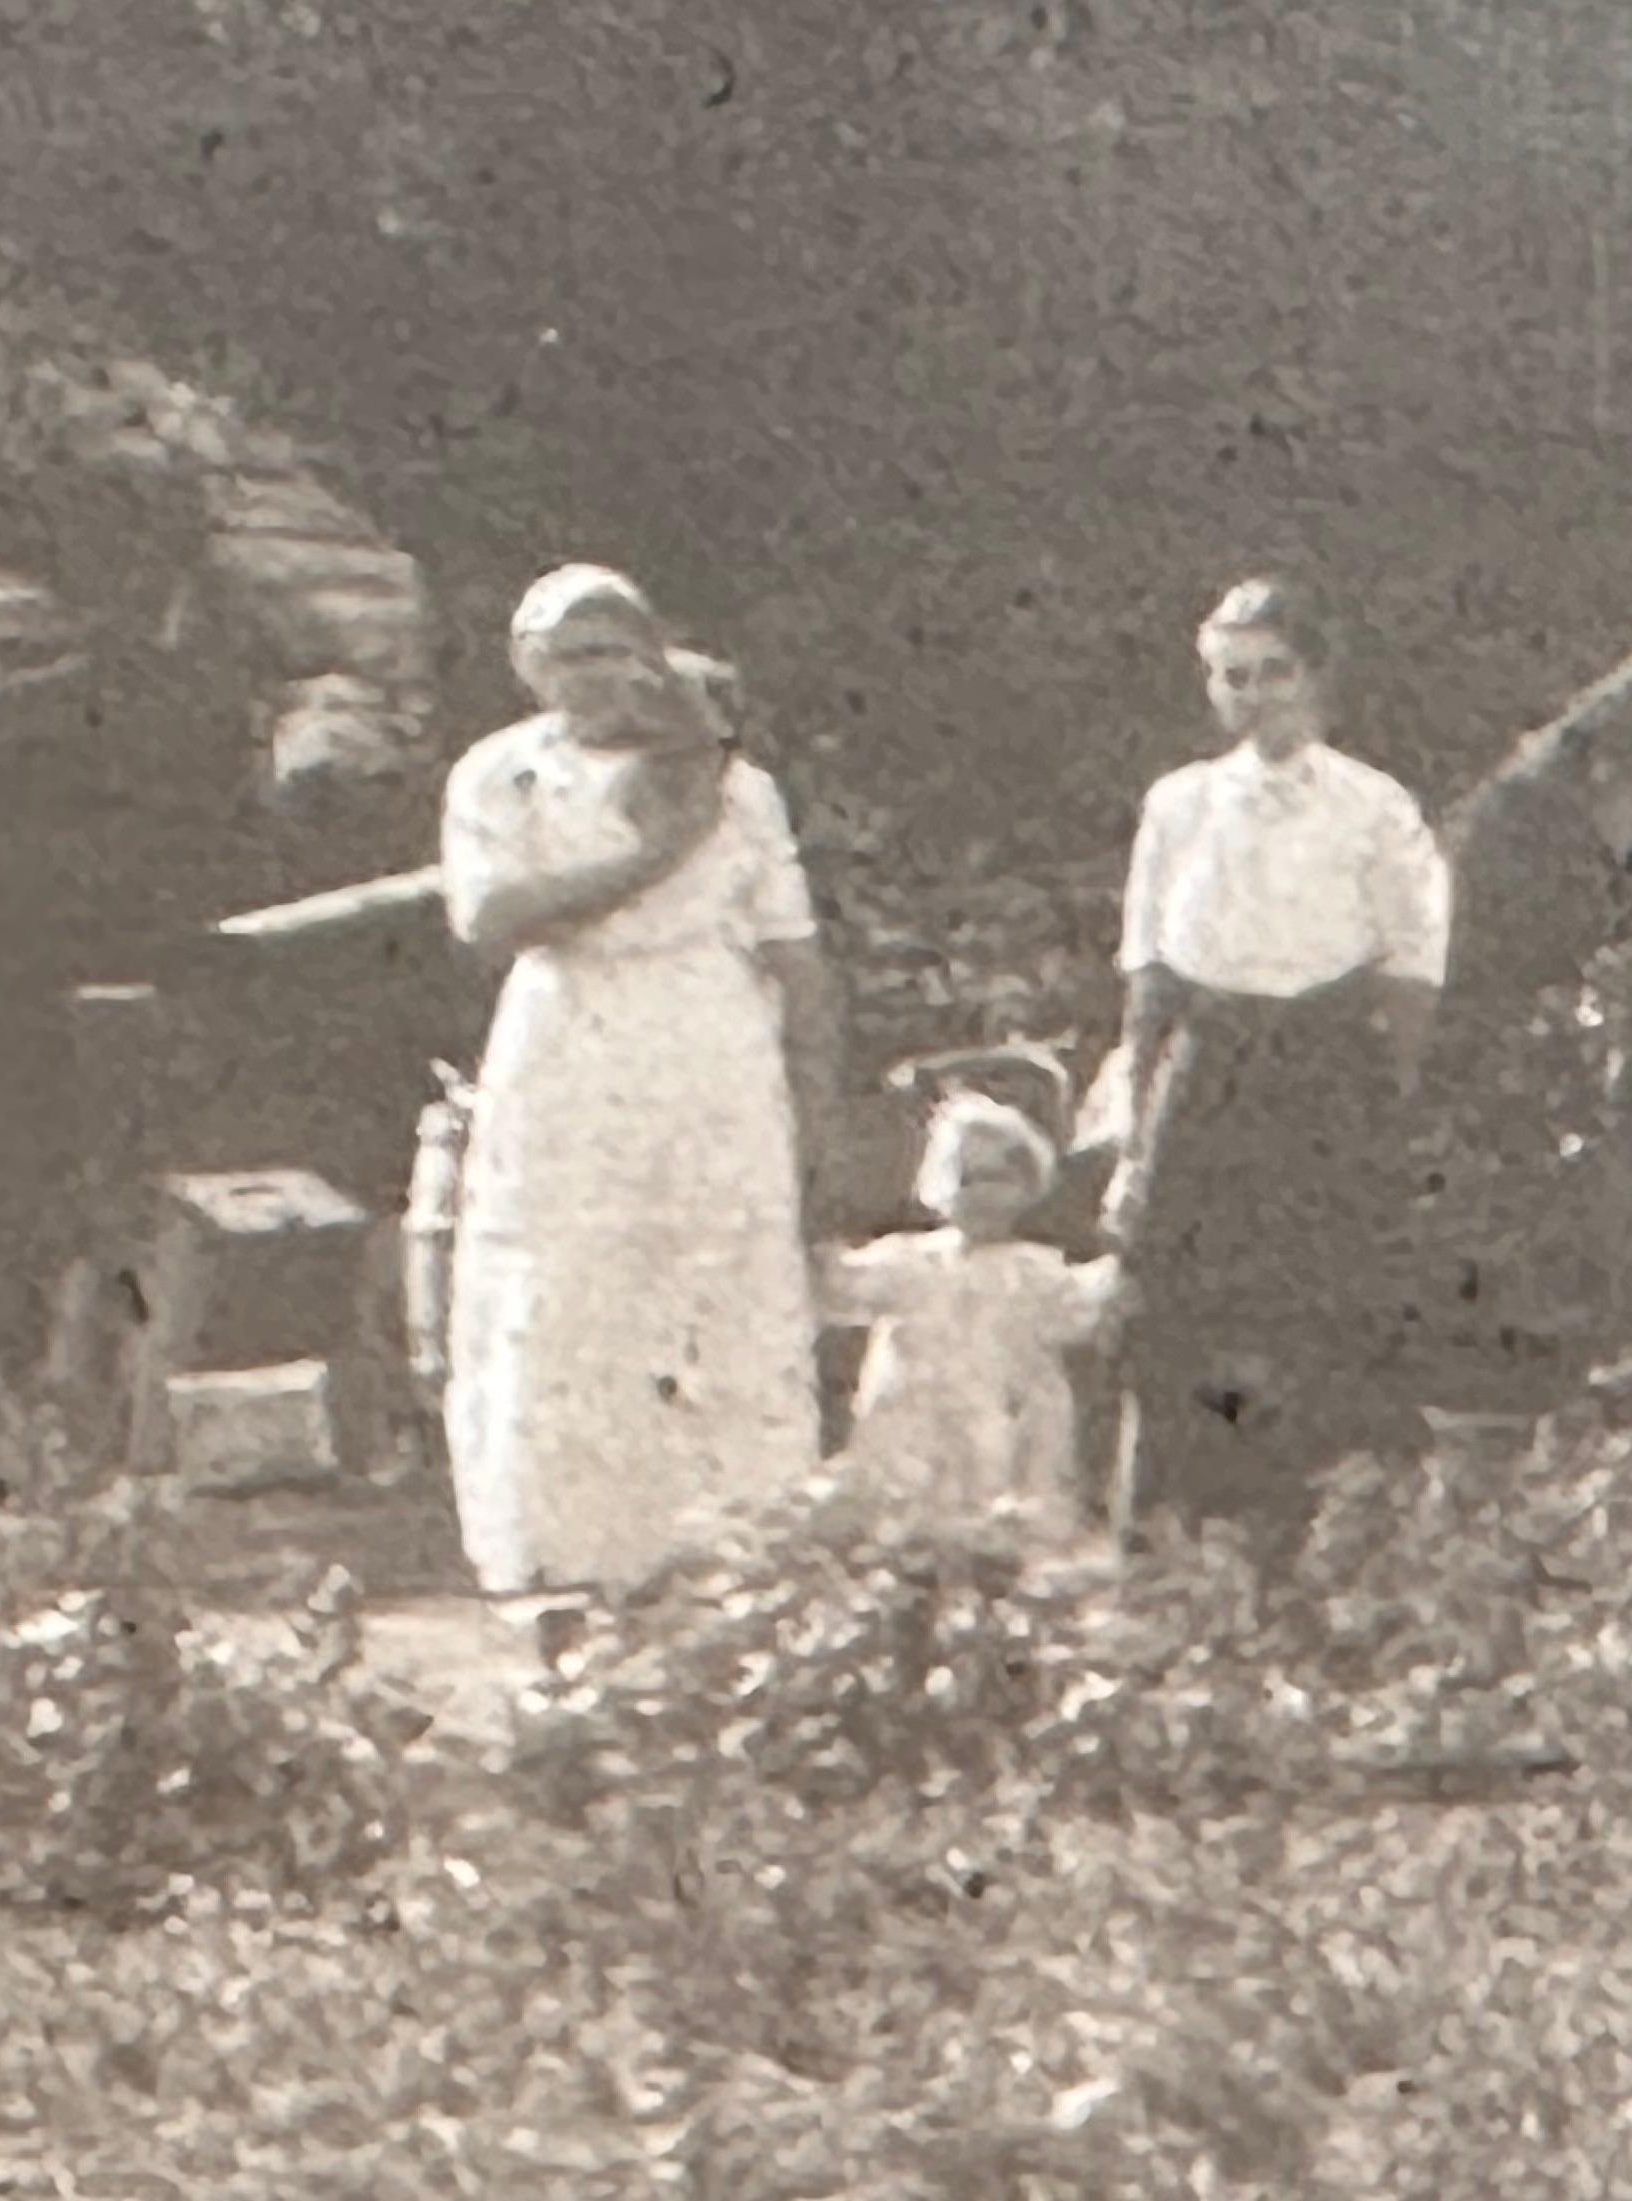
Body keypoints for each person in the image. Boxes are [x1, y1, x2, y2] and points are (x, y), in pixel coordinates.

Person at [439, 566, 841, 1597]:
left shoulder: (737, 788)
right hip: (568, 1033)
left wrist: (815, 1107)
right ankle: (569, 1549)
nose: (601, 676)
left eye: (620, 650)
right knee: (568, 1282)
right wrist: (657, 855)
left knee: (711, 1281)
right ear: (530, 668)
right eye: (573, 655)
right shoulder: (500, 775)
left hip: (705, 1037)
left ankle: (731, 1547)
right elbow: (494, 919)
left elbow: (795, 955)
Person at [1103, 574, 1454, 1531]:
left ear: (1318, 675)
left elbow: (1413, 973)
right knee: (1178, 1305)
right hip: (1208, 1065)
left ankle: (1325, 1532)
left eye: (1274, 673)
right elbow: (1147, 973)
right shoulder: (1178, 805)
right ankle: (1177, 1535)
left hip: (1327, 1067)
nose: (1254, 696)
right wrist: (1139, 1130)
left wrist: (1386, 1101)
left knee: (1324, 1306)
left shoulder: (1376, 808)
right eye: (1232, 678)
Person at [815, 1088, 1124, 1541]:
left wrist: (1126, 1261)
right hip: (913, 1425)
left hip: (998, 1424)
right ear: (941, 1185)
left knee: (997, 1522)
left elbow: (1088, 1306)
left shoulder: (1034, 1269)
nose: (980, 1193)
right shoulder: (909, 1261)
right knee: (905, 1525)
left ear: (1028, 1185)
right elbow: (843, 1289)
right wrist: (821, 1256)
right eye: (967, 1177)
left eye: (998, 1177)